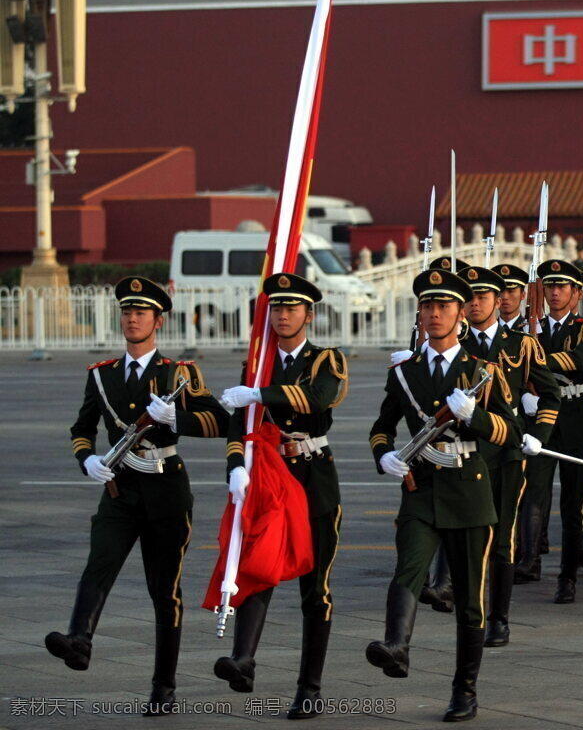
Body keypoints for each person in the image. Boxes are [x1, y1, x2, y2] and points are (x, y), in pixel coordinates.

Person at [52, 276, 228, 716]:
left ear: (158, 321)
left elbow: (222, 422)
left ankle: (164, 687)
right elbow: (81, 429)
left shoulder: (178, 374)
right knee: (98, 565)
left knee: (163, 591)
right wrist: (87, 459)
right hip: (119, 491)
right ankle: (79, 639)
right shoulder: (102, 375)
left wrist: (177, 418)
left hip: (166, 490)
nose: (132, 318)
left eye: (141, 312)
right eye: (127, 312)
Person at [366, 268, 522, 723]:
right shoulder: (405, 371)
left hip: (469, 492)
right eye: (428, 306)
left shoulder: (483, 371)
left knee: (470, 598)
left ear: (459, 314)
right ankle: (396, 645)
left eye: (444, 306)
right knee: (409, 567)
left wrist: (473, 416)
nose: (434, 314)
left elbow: (512, 433)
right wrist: (384, 456)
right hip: (420, 487)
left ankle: (464, 690)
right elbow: (382, 426)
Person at [216, 272, 349, 720]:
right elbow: (239, 423)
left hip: (312, 478)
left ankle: (309, 687)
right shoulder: (258, 362)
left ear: (309, 314)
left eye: (292, 308)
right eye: (277, 308)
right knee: (259, 566)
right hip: (270, 475)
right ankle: (244, 660)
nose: (283, 315)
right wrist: (235, 464)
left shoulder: (326, 359)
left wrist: (260, 392)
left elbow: (316, 398)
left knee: (316, 590)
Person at [457, 264, 559, 647]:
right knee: (464, 535)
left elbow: (551, 394)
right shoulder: (452, 344)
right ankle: (465, 606)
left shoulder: (522, 344)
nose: (474, 303)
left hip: (505, 451)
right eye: (468, 297)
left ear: (499, 301)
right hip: (462, 452)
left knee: (502, 538)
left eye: (482, 296)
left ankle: (499, 617)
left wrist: (539, 435)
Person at [516, 259, 583, 603]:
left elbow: (582, 358)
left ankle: (568, 576)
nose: (555, 292)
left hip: (576, 419)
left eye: (562, 287)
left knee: (573, 503)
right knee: (533, 492)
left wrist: (532, 361)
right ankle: (530, 559)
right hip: (539, 417)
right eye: (549, 286)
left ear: (576, 292)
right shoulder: (529, 328)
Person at [492, 263, 529, 332]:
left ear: (523, 295)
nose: (505, 297)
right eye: (501, 292)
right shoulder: (488, 331)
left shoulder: (530, 330)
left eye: (511, 291)